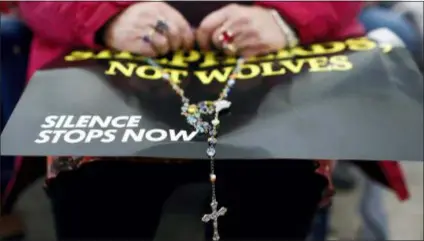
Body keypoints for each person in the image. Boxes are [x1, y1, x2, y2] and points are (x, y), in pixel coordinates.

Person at [10, 1, 408, 240]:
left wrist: (287, 18)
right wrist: (103, 17)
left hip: (279, 72)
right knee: (97, 191)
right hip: (102, 74)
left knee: (281, 182)